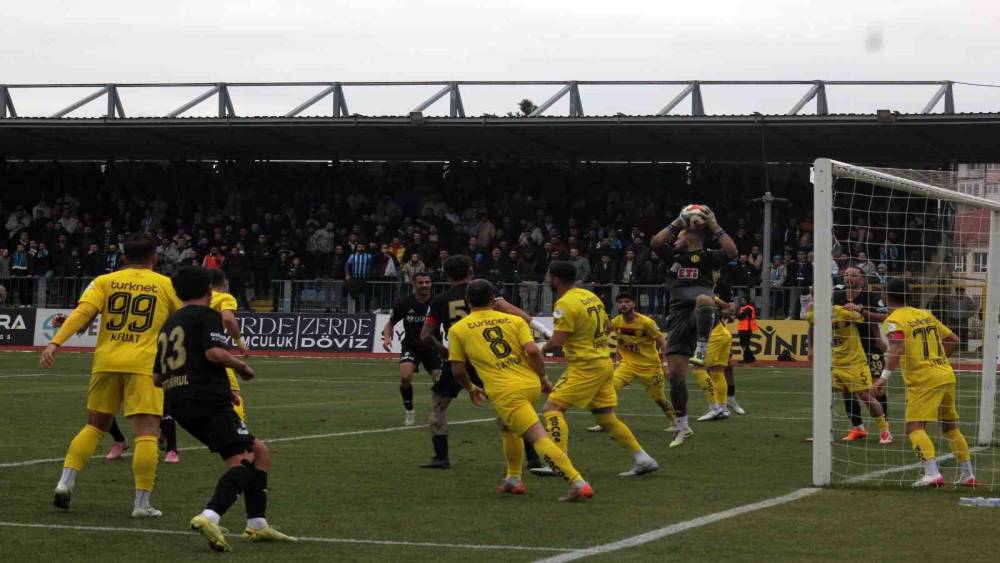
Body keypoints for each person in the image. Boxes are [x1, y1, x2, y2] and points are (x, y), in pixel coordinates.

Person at [154, 267, 294, 551]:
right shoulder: (208, 315)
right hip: (205, 399)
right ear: (209, 290)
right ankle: (209, 516)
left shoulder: (169, 323)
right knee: (244, 458)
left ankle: (257, 524)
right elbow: (214, 353)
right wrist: (241, 366)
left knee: (259, 451)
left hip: (179, 401)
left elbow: (157, 377)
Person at [40, 233, 181, 517]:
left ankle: (65, 482)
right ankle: (141, 504)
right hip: (144, 365)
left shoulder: (104, 281)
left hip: (106, 362)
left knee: (94, 427)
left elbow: (82, 313)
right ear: (154, 257)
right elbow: (185, 318)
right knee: (146, 434)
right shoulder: (166, 284)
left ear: (124, 258)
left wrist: (55, 343)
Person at [447, 280, 593, 501]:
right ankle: (513, 478)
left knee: (537, 436)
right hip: (529, 384)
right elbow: (533, 352)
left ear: (467, 301)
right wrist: (543, 378)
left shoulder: (458, 329)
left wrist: (470, 387)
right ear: (493, 299)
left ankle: (577, 482)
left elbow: (458, 370)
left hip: (506, 391)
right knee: (505, 424)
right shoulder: (514, 320)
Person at [419, 255, 552, 472]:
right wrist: (541, 328)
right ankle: (533, 459)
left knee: (438, 405)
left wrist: (445, 352)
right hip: (488, 359)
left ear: (447, 275)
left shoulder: (440, 300)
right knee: (514, 409)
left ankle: (441, 457)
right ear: (471, 271)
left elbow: (425, 335)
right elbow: (510, 310)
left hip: (460, 360)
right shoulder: (484, 290)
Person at [541, 261, 659, 476]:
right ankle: (643, 458)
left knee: (552, 409)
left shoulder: (564, 303)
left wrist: (539, 348)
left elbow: (556, 342)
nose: (548, 280)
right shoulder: (589, 295)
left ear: (555, 279)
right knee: (605, 417)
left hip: (585, 366)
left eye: (549, 276)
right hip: (603, 363)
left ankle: (557, 462)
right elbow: (607, 326)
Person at [650, 208, 738, 448]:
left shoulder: (708, 257)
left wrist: (714, 224)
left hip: (701, 313)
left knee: (704, 299)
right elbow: (655, 242)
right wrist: (678, 221)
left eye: (678, 238)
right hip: (678, 317)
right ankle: (683, 426)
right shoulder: (674, 257)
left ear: (689, 239)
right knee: (675, 376)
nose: (674, 241)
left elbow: (732, 252)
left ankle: (702, 348)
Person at [875, 278, 975, 487]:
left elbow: (896, 349)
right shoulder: (924, 314)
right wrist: (938, 362)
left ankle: (932, 474)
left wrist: (883, 378)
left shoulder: (894, 320)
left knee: (913, 427)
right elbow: (954, 340)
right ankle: (968, 475)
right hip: (945, 374)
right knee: (950, 427)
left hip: (923, 379)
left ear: (886, 295)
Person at [587, 292, 676, 433]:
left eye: (627, 301)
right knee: (609, 389)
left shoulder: (646, 322)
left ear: (633, 303)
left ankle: (675, 422)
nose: (623, 304)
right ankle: (605, 422)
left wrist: (665, 364)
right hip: (627, 365)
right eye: (620, 302)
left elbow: (662, 343)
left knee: (659, 399)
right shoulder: (616, 321)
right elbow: (609, 336)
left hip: (650, 367)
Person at [807, 303, 891, 445]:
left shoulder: (844, 312)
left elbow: (868, 320)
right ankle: (822, 433)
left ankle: (885, 431)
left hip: (855, 363)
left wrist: (859, 310)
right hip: (834, 363)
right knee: (824, 395)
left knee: (866, 396)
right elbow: (811, 327)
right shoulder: (813, 313)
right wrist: (811, 348)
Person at [835, 266, 890, 441]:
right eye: (846, 274)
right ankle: (857, 427)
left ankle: (885, 429)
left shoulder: (872, 297)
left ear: (862, 279)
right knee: (847, 390)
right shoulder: (836, 296)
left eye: (853, 275)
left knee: (875, 389)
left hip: (870, 347)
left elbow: (884, 317)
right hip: (848, 350)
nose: (849, 277)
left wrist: (861, 312)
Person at [382, 272, 440, 426]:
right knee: (405, 377)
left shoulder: (437, 302)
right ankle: (409, 410)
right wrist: (387, 337)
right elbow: (390, 323)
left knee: (439, 381)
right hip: (411, 346)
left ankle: (437, 411)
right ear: (414, 284)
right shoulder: (405, 303)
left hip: (433, 347)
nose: (425, 285)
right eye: (421, 282)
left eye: (427, 282)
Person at [736, 296, 758, 364]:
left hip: (747, 328)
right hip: (743, 328)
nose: (742, 301)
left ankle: (746, 358)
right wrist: (739, 315)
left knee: (744, 344)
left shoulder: (748, 308)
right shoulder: (744, 308)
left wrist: (738, 315)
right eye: (741, 300)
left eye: (743, 300)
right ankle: (751, 358)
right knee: (744, 344)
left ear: (747, 301)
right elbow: (741, 316)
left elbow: (740, 317)